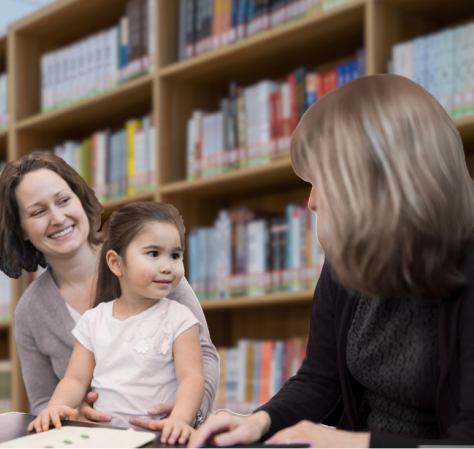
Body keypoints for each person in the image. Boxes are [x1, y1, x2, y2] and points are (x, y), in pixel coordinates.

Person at [188, 74, 474, 448]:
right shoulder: (350, 258)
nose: (312, 202)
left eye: (323, 180)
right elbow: (320, 379)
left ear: (380, 179)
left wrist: (354, 444)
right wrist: (259, 421)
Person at [0, 154, 219, 431]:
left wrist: (187, 415)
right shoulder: (30, 311)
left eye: (63, 200)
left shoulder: (149, 266)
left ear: (80, 200)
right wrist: (70, 418)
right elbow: (45, 402)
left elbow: (202, 355)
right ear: (20, 229)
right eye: (38, 212)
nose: (58, 218)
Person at [28, 201, 204, 445]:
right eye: (153, 253)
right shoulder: (94, 320)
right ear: (116, 263)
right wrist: (56, 407)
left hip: (159, 438)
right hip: (104, 439)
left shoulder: (180, 318)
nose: (167, 266)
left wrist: (180, 420)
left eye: (175, 255)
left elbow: (192, 378)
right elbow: (75, 379)